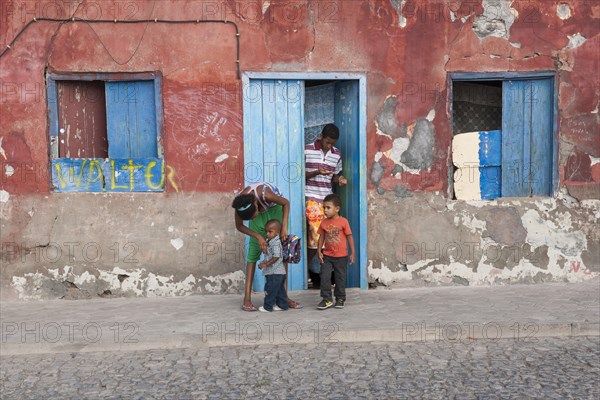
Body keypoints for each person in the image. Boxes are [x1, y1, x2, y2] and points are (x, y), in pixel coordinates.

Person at [232, 182, 301, 311]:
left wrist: (284, 226)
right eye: (252, 218)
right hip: (259, 211)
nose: (255, 217)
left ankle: (284, 297)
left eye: (254, 215)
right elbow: (239, 226)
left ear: (255, 205)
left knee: (280, 251)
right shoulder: (240, 203)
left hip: (276, 211)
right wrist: (258, 236)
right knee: (253, 252)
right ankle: (247, 298)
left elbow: (286, 202)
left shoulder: (266, 194)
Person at [305, 123, 347, 288]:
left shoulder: (336, 154)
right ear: (321, 137)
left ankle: (321, 275)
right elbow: (298, 175)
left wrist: (340, 180)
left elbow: (335, 176)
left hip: (326, 199)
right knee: (317, 233)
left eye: (333, 143)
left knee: (327, 236)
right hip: (311, 197)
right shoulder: (307, 150)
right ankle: (322, 277)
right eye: (327, 142)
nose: (330, 146)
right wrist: (316, 172)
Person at [316, 193, 355, 310]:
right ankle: (327, 299)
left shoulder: (343, 222)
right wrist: (319, 251)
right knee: (325, 277)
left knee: (340, 278)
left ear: (337, 209)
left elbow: (349, 237)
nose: (325, 210)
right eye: (324, 208)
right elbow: (321, 237)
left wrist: (353, 253)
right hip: (327, 255)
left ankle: (340, 298)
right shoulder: (323, 223)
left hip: (341, 256)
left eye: (328, 208)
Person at [257, 220, 290, 312]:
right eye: (266, 231)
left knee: (270, 289)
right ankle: (282, 305)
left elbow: (276, 256)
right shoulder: (270, 241)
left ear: (277, 232)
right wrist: (263, 261)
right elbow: (269, 255)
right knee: (279, 290)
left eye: (270, 232)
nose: (267, 234)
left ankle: (268, 307)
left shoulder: (275, 243)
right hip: (279, 272)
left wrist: (265, 264)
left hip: (274, 272)